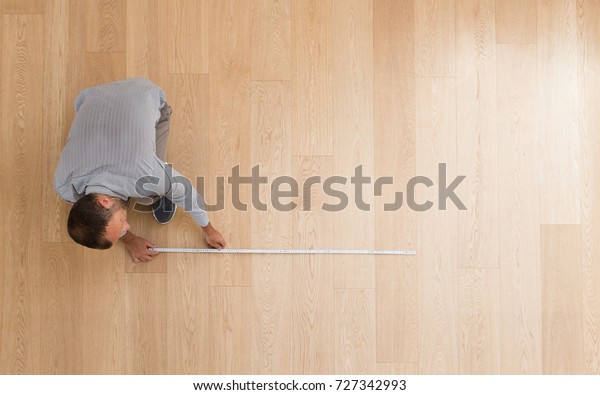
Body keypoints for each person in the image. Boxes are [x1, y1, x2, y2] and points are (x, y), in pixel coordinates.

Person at [54, 78, 226, 262]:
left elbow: (185, 190)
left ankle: (160, 196)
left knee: (147, 196)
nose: (127, 225)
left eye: (121, 224)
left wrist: (209, 230)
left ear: (103, 201)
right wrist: (131, 240)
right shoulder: (63, 184)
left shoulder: (145, 174)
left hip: (144, 93)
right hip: (92, 97)